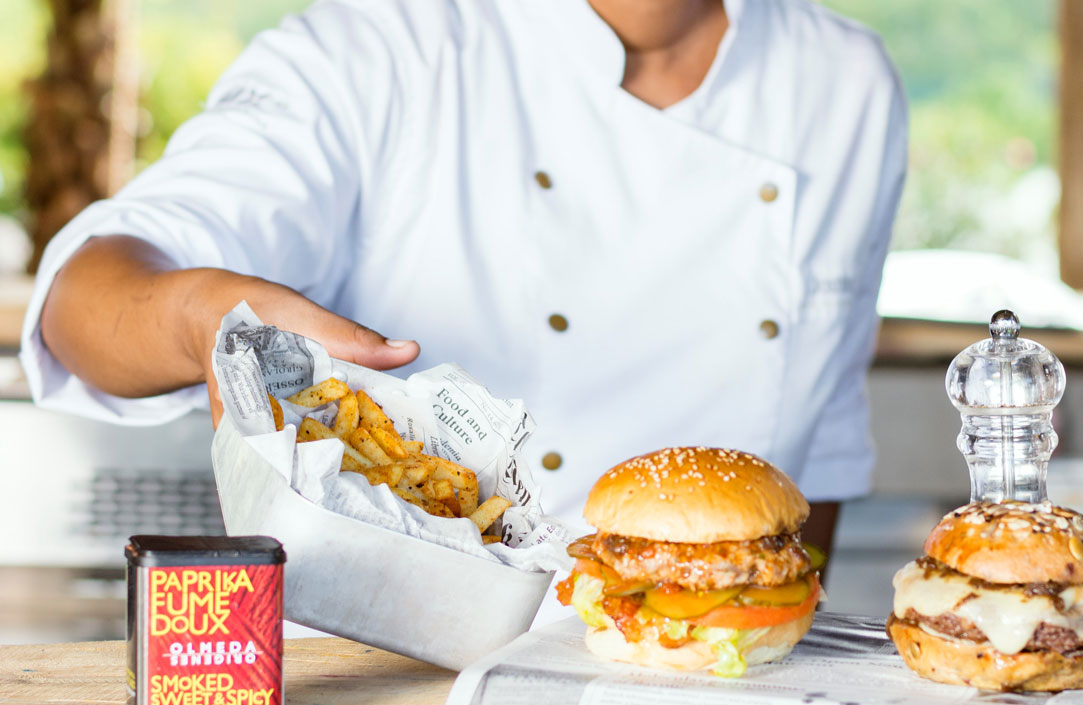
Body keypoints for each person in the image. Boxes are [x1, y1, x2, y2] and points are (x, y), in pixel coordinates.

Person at [20, 0, 907, 560]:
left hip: (713, 696)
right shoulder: (379, 47)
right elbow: (80, 301)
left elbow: (816, 457)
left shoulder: (844, 85)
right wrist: (198, 317)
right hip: (405, 688)